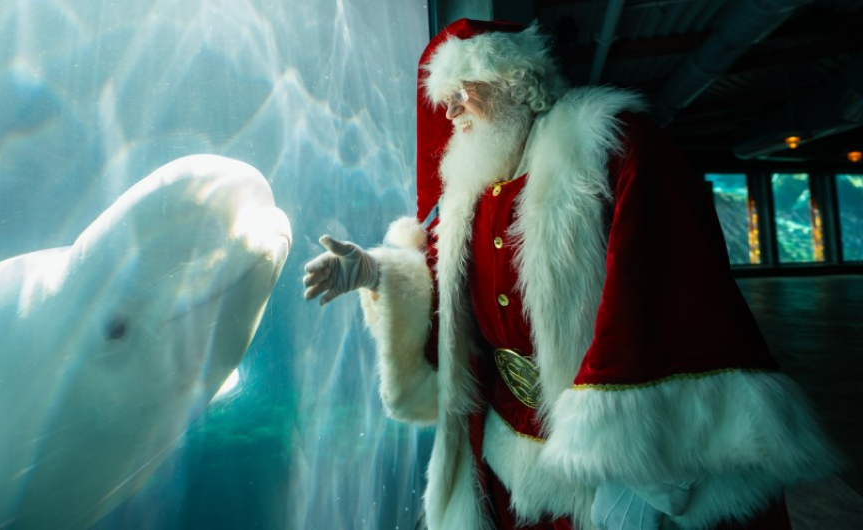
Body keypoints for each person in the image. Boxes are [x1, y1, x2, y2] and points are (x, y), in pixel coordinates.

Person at [303, 18, 841, 530]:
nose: (451, 112)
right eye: (446, 98)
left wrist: (647, 468)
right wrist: (377, 271)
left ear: (517, 80)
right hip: (505, 455)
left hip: (604, 466)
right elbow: (447, 284)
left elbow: (670, 289)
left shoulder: (610, 146)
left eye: (463, 90)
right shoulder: (472, 191)